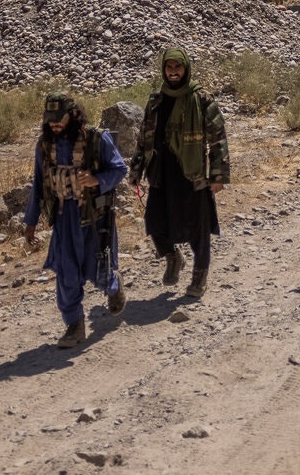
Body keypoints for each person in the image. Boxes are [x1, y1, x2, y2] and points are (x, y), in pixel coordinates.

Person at [23, 93, 127, 348]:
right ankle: (74, 325)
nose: (54, 126)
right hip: (63, 219)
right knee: (66, 273)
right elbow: (38, 184)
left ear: (73, 115)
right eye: (50, 121)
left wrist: (97, 180)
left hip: (94, 218)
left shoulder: (95, 138)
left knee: (97, 271)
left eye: (59, 120)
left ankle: (114, 288)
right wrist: (30, 222)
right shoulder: (44, 147)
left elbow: (119, 169)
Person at [131, 48, 227, 300]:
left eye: (178, 68)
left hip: (192, 173)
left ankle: (199, 275)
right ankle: (173, 257)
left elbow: (218, 139)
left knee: (199, 227)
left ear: (186, 69)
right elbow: (144, 138)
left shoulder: (201, 99)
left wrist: (217, 175)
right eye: (169, 68)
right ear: (164, 70)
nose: (173, 73)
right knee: (154, 220)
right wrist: (136, 169)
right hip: (161, 172)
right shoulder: (156, 100)